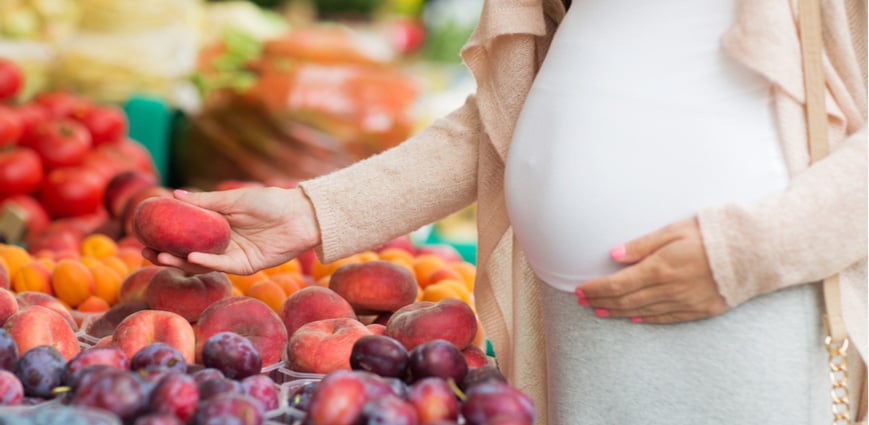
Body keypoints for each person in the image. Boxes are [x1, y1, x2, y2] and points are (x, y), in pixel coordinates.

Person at [146, 0, 868, 423]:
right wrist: (317, 209)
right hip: (567, 319)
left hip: (742, 307)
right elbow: (507, 112)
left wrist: (749, 251)